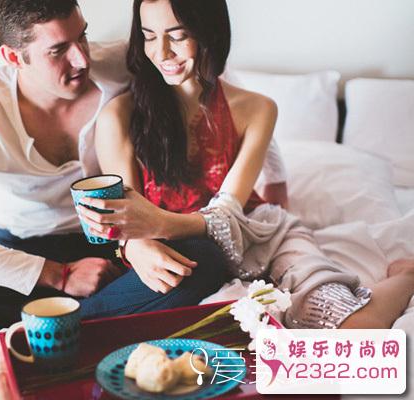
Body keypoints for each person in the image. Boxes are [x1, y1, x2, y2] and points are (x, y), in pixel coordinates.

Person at [0, 0, 286, 338]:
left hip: (115, 244)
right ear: (13, 57)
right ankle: (83, 320)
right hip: (25, 252)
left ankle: (46, 326)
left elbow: (217, 94)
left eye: (82, 36)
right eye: (57, 51)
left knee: (203, 259)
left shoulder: (125, 62)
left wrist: (277, 181)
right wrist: (59, 275)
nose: (81, 59)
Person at [79, 0, 414, 329]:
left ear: (209, 33)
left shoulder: (257, 109)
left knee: (355, 329)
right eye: (149, 36)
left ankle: (407, 276)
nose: (161, 52)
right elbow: (129, 217)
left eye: (177, 36)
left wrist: (157, 223)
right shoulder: (119, 116)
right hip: (185, 253)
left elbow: (227, 213)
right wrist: (134, 243)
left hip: (260, 235)